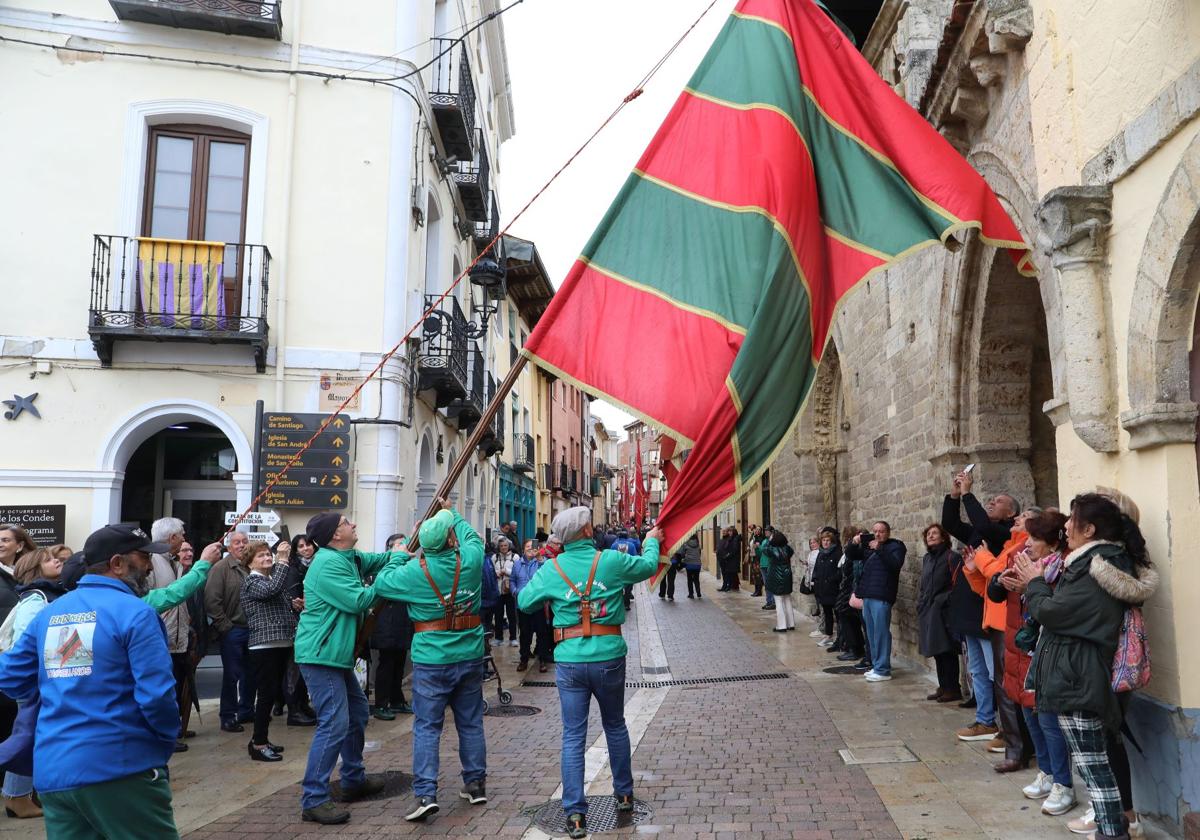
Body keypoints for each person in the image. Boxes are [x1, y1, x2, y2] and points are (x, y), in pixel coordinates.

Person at [0, 523, 191, 837]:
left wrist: (56, 686)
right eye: (143, 558)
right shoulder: (135, 613)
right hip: (120, 767)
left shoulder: (50, 613)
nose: (148, 566)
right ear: (116, 564)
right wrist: (163, 742)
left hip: (56, 771)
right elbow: (157, 696)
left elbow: (9, 676)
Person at [1009, 493, 1157, 840]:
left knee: (1095, 766)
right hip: (1075, 671)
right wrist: (1035, 585)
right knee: (1094, 766)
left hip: (1080, 673)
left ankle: (1112, 832)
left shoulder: (1098, 565)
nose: (1066, 527)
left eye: (1072, 520)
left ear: (1089, 529)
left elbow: (1055, 614)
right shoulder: (1090, 562)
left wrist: (1035, 583)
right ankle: (1112, 829)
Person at [517, 507, 661, 840]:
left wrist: (547, 577)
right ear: (585, 532)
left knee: (572, 736)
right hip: (609, 655)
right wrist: (651, 540)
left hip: (569, 661)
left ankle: (575, 815)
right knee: (614, 724)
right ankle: (624, 794)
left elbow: (524, 602)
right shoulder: (610, 561)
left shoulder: (552, 568)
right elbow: (649, 567)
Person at [372, 500, 487, 823]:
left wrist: (398, 555)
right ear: (452, 539)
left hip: (431, 658)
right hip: (469, 652)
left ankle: (426, 793)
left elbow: (382, 583)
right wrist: (453, 514)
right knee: (470, 722)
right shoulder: (472, 561)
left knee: (427, 727)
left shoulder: (412, 573)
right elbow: (473, 539)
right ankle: (475, 783)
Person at [293, 513, 399, 825]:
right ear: (334, 535)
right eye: (346, 523)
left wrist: (398, 553)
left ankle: (353, 779)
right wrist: (391, 570)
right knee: (334, 723)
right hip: (320, 655)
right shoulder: (327, 564)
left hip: (335, 655)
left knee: (357, 713)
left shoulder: (348, 556)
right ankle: (313, 798)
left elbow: (378, 559)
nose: (353, 524)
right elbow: (360, 600)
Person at [993, 510, 1076, 816]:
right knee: (1028, 712)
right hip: (1020, 648)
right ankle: (1047, 771)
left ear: (1053, 543)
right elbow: (996, 592)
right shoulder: (1023, 560)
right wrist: (1001, 583)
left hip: (1043, 651)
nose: (1027, 543)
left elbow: (1052, 610)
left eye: (1034, 538)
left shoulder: (1061, 569)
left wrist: (1030, 586)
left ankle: (1063, 783)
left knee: (1047, 719)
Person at [965, 508, 1040, 771]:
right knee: (1006, 686)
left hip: (1008, 622)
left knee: (1009, 688)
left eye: (1021, 517)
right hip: (998, 621)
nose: (1015, 521)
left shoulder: (1021, 547)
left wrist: (983, 556)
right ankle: (1016, 746)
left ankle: (1017, 749)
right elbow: (991, 586)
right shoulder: (1010, 545)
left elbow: (999, 572)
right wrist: (973, 570)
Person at [2, 546, 69, 819]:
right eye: (50, 560)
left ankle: (19, 795)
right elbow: (25, 643)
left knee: (29, 734)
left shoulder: (39, 596)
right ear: (34, 568)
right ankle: (17, 797)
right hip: (33, 681)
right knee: (28, 736)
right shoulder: (36, 600)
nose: (57, 562)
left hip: (34, 679)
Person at [241, 538, 299, 762]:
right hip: (264, 645)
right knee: (265, 696)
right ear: (250, 563)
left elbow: (276, 596)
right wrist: (283, 560)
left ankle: (262, 737)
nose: (267, 558)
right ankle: (258, 743)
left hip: (280, 643)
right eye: (261, 556)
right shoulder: (251, 582)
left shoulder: (270, 578)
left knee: (272, 693)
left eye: (268, 554)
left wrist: (293, 604)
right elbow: (271, 591)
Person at [148, 517, 194, 752]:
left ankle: (173, 729)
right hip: (162, 641)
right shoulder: (152, 563)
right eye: (182, 534)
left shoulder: (173, 563)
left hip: (177, 639)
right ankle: (165, 734)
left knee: (175, 688)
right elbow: (155, 602)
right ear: (172, 538)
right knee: (164, 690)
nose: (185, 539)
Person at [205, 529, 255, 733]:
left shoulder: (252, 566)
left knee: (251, 674)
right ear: (228, 547)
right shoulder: (220, 568)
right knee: (232, 675)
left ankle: (246, 710)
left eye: (244, 541)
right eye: (237, 542)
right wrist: (225, 626)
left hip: (253, 630)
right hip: (233, 630)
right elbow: (212, 601)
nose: (241, 545)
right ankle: (228, 716)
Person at [852, 521, 906, 682]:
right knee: (871, 633)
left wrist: (880, 548)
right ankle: (877, 666)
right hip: (868, 594)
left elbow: (895, 565)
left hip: (882, 595)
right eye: (875, 531)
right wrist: (854, 543)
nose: (877, 534)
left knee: (881, 633)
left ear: (888, 532)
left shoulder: (896, 546)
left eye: (881, 531)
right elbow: (851, 555)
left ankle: (883, 669)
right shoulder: (869, 548)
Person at [369, 533, 415, 720]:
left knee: (399, 664)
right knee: (386, 665)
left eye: (404, 543)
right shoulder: (384, 568)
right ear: (390, 548)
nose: (403, 547)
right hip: (386, 624)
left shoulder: (409, 567)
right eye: (399, 544)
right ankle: (381, 703)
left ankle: (397, 700)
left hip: (403, 622)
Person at [915, 524, 962, 702]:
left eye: (935, 533)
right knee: (937, 650)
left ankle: (953, 688)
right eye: (928, 534)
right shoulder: (928, 558)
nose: (931, 536)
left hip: (945, 611)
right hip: (929, 610)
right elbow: (924, 584)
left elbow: (958, 584)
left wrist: (943, 600)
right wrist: (922, 603)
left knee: (947, 650)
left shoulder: (952, 557)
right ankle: (943, 686)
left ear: (943, 537)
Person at [279, 534, 317, 724]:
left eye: (308, 545)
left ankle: (302, 705)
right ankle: (294, 710)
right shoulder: (293, 569)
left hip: (310, 623)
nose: (306, 549)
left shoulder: (318, 565)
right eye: (301, 546)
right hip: (296, 623)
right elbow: (293, 599)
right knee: (294, 669)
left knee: (303, 670)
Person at [942, 469, 1018, 556]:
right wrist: (954, 496)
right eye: (992, 500)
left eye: (999, 501)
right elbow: (951, 525)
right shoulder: (978, 531)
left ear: (1011, 513)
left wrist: (966, 493)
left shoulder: (1010, 532)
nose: (992, 503)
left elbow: (983, 526)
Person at [512, 539, 551, 673]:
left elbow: (546, 573)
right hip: (522, 604)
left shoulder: (541, 562)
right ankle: (524, 659)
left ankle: (542, 660)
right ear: (523, 549)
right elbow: (512, 580)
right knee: (524, 634)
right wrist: (514, 591)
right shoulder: (517, 564)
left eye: (532, 546)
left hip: (537, 603)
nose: (530, 549)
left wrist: (539, 557)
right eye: (527, 547)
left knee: (541, 633)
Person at [833, 525, 867, 665]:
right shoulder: (850, 550)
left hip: (852, 591)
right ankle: (852, 647)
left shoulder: (859, 552)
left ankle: (856, 649)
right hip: (847, 589)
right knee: (847, 619)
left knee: (850, 620)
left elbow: (852, 571)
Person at [810, 528, 841, 643]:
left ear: (832, 541)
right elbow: (817, 570)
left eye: (828, 540)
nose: (826, 543)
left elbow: (840, 571)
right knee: (827, 613)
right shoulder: (821, 554)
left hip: (833, 589)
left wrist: (831, 580)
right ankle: (828, 634)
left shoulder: (837, 553)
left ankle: (840, 636)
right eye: (824, 540)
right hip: (823, 589)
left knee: (838, 615)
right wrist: (816, 582)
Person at [763, 530, 795, 632]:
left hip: (777, 577)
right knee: (787, 599)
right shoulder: (788, 549)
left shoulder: (772, 549)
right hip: (787, 576)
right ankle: (791, 624)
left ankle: (781, 626)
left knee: (779, 601)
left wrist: (769, 540)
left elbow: (765, 549)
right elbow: (791, 551)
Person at [491, 537, 517, 647]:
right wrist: (496, 573)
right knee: (498, 615)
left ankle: (513, 638)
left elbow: (517, 573)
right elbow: (491, 571)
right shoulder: (494, 557)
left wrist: (506, 571)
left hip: (510, 590)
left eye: (505, 545)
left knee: (512, 616)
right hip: (498, 590)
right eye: (501, 546)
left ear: (509, 546)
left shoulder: (515, 557)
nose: (503, 548)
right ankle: (498, 638)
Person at [716, 526, 741, 592]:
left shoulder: (730, 539)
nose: (723, 532)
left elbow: (731, 550)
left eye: (725, 531)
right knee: (724, 575)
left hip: (727, 560)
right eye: (723, 531)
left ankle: (729, 586)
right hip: (722, 559)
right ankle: (725, 586)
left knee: (728, 575)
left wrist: (726, 556)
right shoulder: (722, 539)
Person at [681, 534, 702, 599]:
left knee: (689, 580)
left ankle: (691, 594)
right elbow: (699, 553)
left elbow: (682, 554)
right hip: (697, 564)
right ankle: (698, 593)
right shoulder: (698, 544)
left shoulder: (685, 544)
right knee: (696, 579)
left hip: (689, 564)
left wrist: (684, 558)